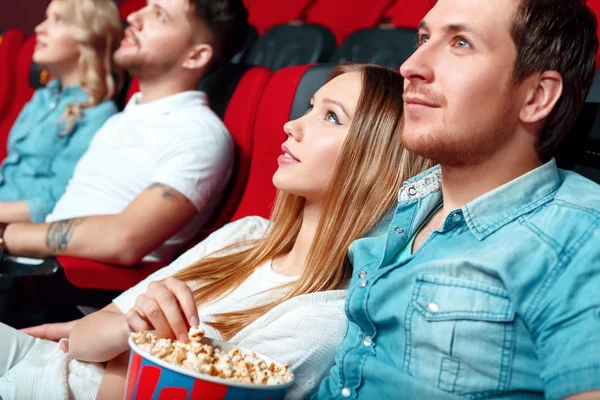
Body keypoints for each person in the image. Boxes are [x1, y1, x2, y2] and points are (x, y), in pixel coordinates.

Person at [0, 63, 432, 400]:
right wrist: (128, 343)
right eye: (309, 108)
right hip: (37, 362)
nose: (291, 126)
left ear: (374, 161)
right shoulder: (243, 236)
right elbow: (88, 333)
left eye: (331, 118)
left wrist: (123, 345)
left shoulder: (324, 316)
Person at [315, 0, 600, 399]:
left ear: (536, 95)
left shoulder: (582, 236)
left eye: (461, 43)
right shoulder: (406, 199)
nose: (411, 66)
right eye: (424, 38)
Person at [0, 0, 248, 265]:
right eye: (146, 6)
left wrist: (6, 237)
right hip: (30, 269)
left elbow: (125, 239)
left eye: (159, 16)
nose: (133, 17)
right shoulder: (126, 118)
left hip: (70, 295)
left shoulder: (199, 134)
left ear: (196, 56)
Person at [0, 0, 122, 224]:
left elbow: (55, 203)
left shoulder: (98, 115)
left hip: (20, 237)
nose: (39, 28)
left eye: (58, 20)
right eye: (46, 18)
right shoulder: (44, 97)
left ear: (88, 38)